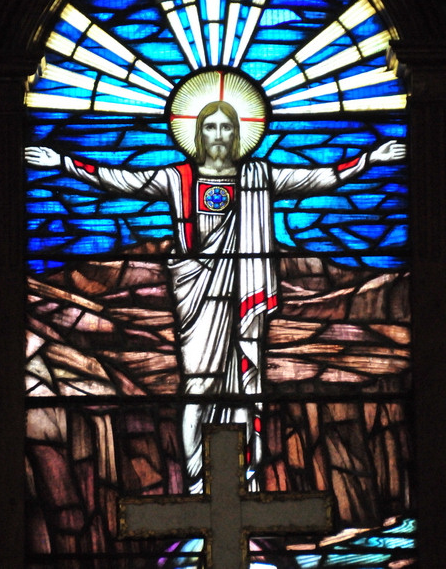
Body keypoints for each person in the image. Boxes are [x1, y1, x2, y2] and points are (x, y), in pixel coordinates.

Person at [25, 101, 406, 493]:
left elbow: (318, 178)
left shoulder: (258, 175)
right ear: (198, 135)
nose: (219, 136)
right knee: (198, 387)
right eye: (211, 128)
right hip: (197, 297)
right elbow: (122, 181)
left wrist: (369, 159)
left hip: (244, 298)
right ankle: (195, 481)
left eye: (227, 128)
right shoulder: (178, 178)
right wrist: (62, 162)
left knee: (246, 385)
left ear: (239, 135)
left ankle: (250, 477)